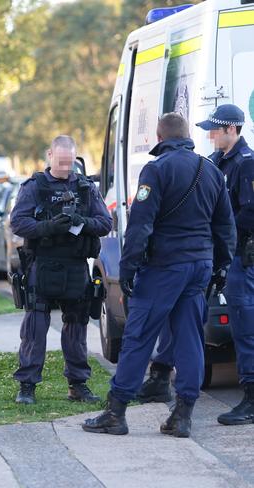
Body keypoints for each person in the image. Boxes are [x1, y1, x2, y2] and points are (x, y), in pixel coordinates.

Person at [82, 113, 236, 438]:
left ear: (159, 136)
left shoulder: (156, 169)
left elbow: (140, 224)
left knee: (138, 336)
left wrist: (127, 270)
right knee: (190, 339)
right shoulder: (210, 170)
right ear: (186, 136)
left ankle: (116, 411)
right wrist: (221, 266)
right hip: (200, 267)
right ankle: (183, 416)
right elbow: (225, 226)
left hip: (164, 267)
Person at [138, 105, 254, 423]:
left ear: (232, 129)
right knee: (184, 323)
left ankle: (251, 397)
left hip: (239, 258)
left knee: (244, 327)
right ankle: (161, 378)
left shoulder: (247, 164)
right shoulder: (214, 163)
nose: (209, 134)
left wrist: (218, 222)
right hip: (211, 257)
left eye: (215, 129)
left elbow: (247, 213)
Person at [10, 135, 111, 405]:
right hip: (42, 264)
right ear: (50, 155)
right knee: (35, 326)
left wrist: (82, 221)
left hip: (76, 265)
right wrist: (48, 227)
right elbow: (18, 223)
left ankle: (78, 384)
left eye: (70, 164)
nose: (66, 170)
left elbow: (104, 223)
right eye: (61, 163)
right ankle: (27, 386)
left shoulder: (86, 187)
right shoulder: (34, 187)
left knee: (76, 327)